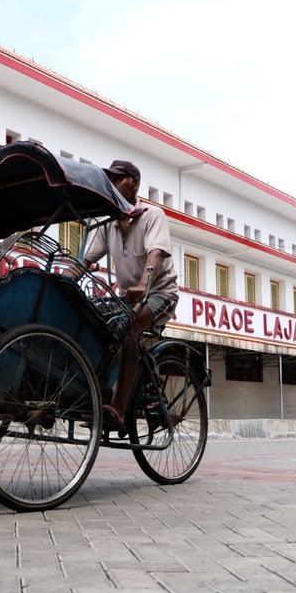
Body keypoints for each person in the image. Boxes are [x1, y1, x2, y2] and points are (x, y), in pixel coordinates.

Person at [81, 159, 179, 434]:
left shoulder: (152, 216)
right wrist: (66, 277)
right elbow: (86, 261)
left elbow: (156, 254)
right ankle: (98, 394)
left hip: (160, 293)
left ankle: (120, 408)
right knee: (95, 327)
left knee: (128, 329)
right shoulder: (108, 224)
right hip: (128, 298)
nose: (112, 185)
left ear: (134, 183)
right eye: (109, 180)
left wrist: (143, 282)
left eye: (118, 180)